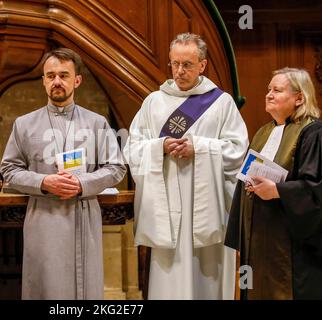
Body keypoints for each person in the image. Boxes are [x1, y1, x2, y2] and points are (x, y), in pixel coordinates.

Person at [123, 33, 249, 299]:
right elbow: (132, 149)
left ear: (202, 65)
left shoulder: (221, 103)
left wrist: (199, 147)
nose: (179, 71)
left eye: (187, 65)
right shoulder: (153, 102)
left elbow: (238, 151)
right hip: (165, 211)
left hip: (208, 210)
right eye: (175, 64)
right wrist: (160, 147)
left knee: (207, 278)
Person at [0, 47, 126, 300]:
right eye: (51, 75)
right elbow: (8, 170)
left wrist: (81, 182)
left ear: (76, 80)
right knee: (46, 287)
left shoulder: (96, 122)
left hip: (83, 215)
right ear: (44, 80)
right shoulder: (24, 124)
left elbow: (116, 168)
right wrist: (44, 181)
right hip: (44, 217)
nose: (57, 81)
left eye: (64, 75)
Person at [225, 67, 322, 300]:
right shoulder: (263, 132)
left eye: (277, 90)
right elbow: (243, 182)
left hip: (291, 247)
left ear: (299, 98)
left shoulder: (313, 133)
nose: (268, 94)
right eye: (269, 89)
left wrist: (277, 190)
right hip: (258, 239)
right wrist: (240, 239)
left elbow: (315, 188)